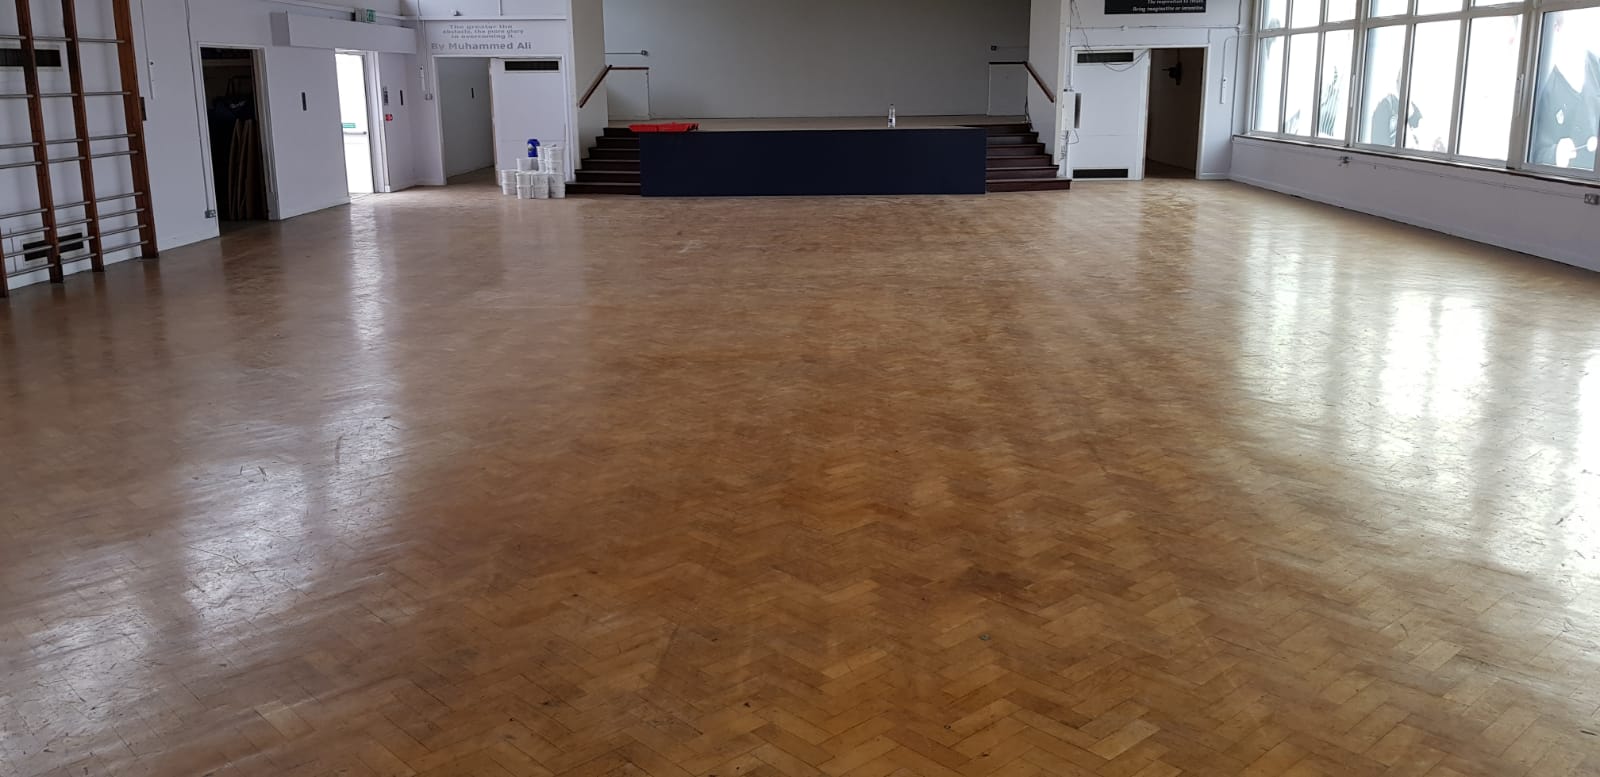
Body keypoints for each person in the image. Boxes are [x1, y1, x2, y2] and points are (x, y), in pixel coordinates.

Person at [1531, 12, 1600, 169]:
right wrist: (1555, 154)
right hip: (1567, 186)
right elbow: (1532, 153)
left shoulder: (1596, 67)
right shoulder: (1544, 84)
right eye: (1574, 29)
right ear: (1556, 30)